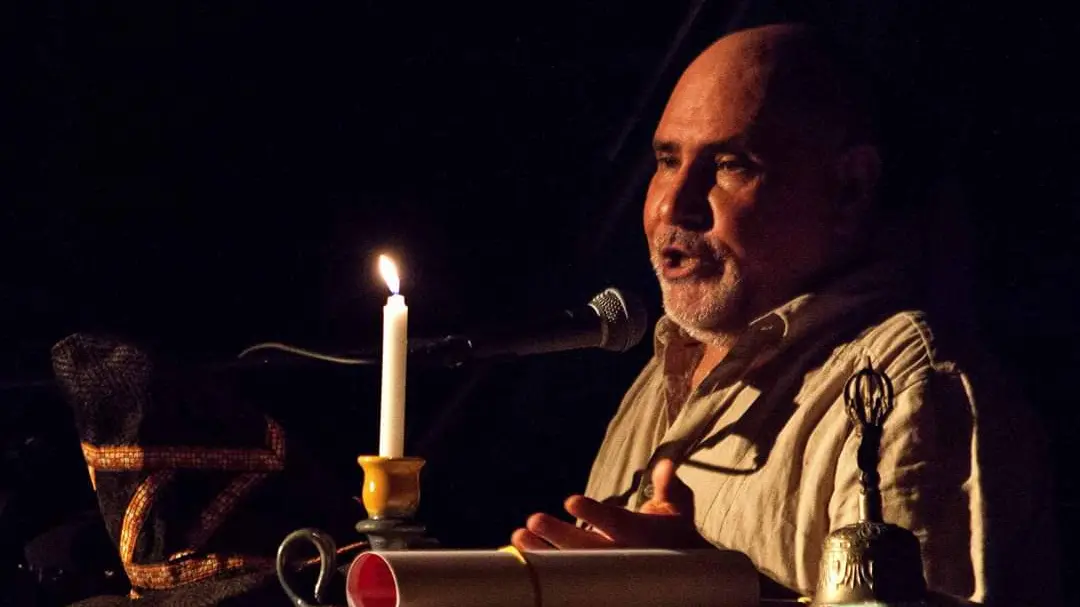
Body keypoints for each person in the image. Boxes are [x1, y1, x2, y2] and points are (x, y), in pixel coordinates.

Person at [510, 23, 1061, 606]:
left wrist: (713, 591)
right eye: (667, 160)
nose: (674, 204)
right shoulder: (666, 367)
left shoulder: (910, 382)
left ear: (849, 188)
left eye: (730, 165)